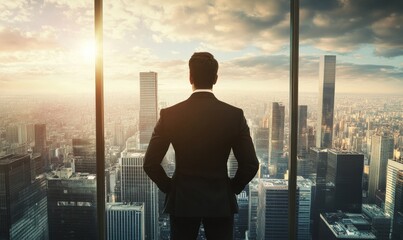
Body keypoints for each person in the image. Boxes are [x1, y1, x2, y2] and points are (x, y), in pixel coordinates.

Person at [143, 52, 259, 240]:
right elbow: (251, 165)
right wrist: (230, 188)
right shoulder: (234, 115)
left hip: (183, 201)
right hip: (220, 202)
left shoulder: (170, 115)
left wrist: (172, 188)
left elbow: (150, 164)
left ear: (190, 77)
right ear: (215, 78)